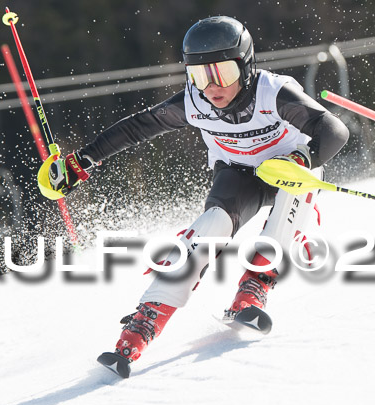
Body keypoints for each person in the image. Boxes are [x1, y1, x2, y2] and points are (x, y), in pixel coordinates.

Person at [45, 16, 349, 375]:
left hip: (290, 172)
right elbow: (139, 126)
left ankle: (255, 286)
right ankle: (144, 323)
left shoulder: (273, 92)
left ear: (246, 66)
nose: (212, 87)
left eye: (222, 72)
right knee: (211, 225)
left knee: (295, 195)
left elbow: (334, 130)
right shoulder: (195, 102)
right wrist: (81, 162)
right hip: (240, 175)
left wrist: (300, 158)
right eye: (200, 75)